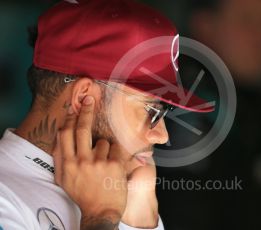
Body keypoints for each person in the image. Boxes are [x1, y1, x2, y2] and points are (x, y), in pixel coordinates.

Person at [0, 0, 214, 229]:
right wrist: (101, 217)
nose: (161, 136)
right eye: (152, 111)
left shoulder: (124, 195)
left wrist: (140, 221)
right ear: (84, 98)